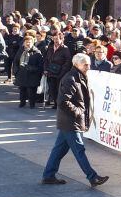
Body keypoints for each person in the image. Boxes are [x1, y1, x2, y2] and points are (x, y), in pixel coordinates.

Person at [41, 53, 109, 187]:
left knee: (59, 150)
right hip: (70, 121)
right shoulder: (71, 79)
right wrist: (79, 112)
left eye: (89, 64)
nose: (88, 67)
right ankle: (92, 177)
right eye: (85, 64)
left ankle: (48, 175)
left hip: (69, 121)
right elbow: (63, 101)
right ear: (76, 64)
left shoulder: (79, 77)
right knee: (79, 150)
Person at [12, 34, 44, 108]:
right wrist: (16, 71)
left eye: (29, 42)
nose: (28, 44)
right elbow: (16, 61)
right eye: (26, 42)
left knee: (31, 91)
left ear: (33, 43)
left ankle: (32, 104)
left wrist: (31, 68)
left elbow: (40, 66)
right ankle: (22, 102)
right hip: (21, 73)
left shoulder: (37, 52)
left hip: (32, 75)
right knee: (22, 89)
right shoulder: (21, 50)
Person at [43, 31, 71, 107]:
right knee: (52, 89)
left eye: (57, 39)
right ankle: (55, 103)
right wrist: (45, 69)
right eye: (54, 39)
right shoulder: (50, 48)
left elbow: (67, 62)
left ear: (61, 39)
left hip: (60, 73)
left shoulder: (65, 49)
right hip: (50, 72)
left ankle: (59, 104)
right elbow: (46, 59)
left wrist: (62, 72)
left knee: (59, 89)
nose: (55, 40)